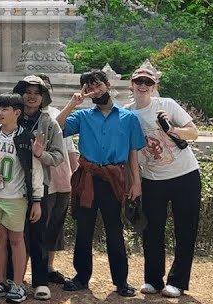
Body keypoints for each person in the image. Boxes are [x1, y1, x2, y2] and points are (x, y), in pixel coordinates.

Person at [56, 70, 146, 298]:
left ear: (107, 84)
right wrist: (73, 103)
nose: (95, 91)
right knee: (83, 229)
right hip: (88, 177)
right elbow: (57, 128)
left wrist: (136, 183)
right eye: (89, 88)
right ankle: (81, 277)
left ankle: (121, 281)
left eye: (97, 85)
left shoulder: (128, 118)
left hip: (114, 178)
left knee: (114, 230)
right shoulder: (83, 116)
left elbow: (133, 153)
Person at [126, 64, 201, 299]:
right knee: (152, 230)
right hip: (152, 178)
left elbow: (194, 132)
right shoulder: (127, 114)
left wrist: (173, 129)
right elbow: (131, 152)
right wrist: (135, 182)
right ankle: (152, 279)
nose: (142, 86)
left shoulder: (166, 105)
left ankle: (177, 282)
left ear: (154, 86)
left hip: (185, 174)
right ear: (131, 84)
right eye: (139, 81)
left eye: (148, 82)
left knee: (185, 229)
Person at [0, 94, 44, 304]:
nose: (0, 113)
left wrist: (37, 201)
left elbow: (35, 171)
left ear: (17, 112)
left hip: (16, 197)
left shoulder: (27, 138)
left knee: (17, 240)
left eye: (5, 109)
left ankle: (17, 284)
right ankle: (0, 281)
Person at [9, 75, 68, 301]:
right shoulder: (11, 119)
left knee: (38, 233)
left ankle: (41, 281)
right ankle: (14, 280)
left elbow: (59, 156)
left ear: (43, 98)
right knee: (14, 234)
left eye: (37, 92)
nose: (32, 96)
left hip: (38, 185)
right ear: (20, 95)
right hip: (13, 184)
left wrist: (40, 154)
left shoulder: (49, 123)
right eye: (28, 92)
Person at [30, 75, 77, 291]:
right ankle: (34, 269)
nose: (38, 94)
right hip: (43, 180)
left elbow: (69, 148)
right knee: (39, 227)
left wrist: (74, 176)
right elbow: (54, 126)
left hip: (62, 177)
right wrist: (73, 104)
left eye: (42, 90)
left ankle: (48, 267)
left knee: (55, 227)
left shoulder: (56, 112)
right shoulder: (36, 118)